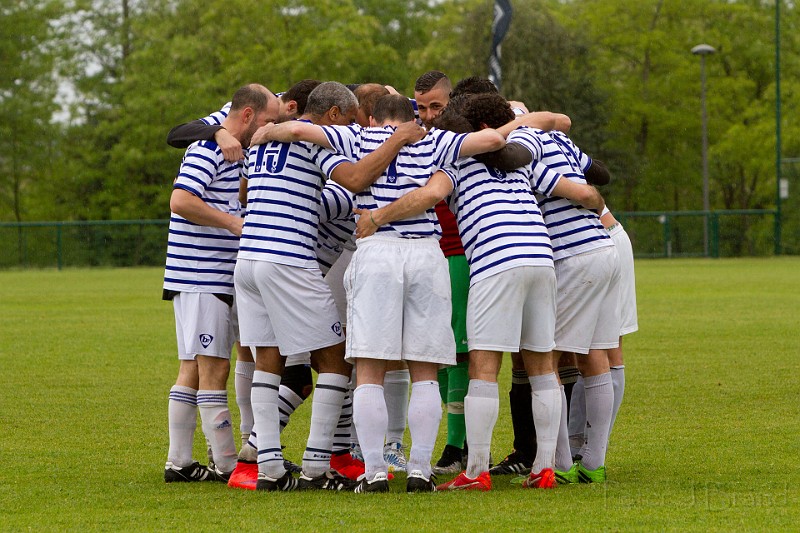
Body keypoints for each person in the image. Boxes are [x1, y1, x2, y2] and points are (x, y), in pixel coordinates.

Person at [354, 93, 604, 491]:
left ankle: (476, 471)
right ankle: (544, 467)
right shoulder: (520, 159)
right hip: (541, 258)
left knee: (482, 368)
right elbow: (567, 166)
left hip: (496, 260)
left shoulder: (455, 160)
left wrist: (378, 216)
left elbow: (430, 195)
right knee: (543, 367)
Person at [235, 83, 427, 492]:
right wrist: (397, 139)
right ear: (334, 114)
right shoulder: (316, 143)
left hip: (248, 259)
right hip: (288, 258)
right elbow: (356, 178)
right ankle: (316, 466)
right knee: (337, 360)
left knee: (268, 359)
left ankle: (269, 469)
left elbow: (245, 192)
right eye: (352, 116)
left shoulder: (263, 143)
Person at [163, 84, 279, 483]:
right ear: (247, 116)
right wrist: (235, 224)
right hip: (200, 273)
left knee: (196, 369)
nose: (269, 129)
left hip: (212, 274)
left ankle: (180, 462)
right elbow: (180, 201)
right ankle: (228, 464)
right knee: (211, 369)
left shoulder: (238, 144)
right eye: (265, 122)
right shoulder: (209, 148)